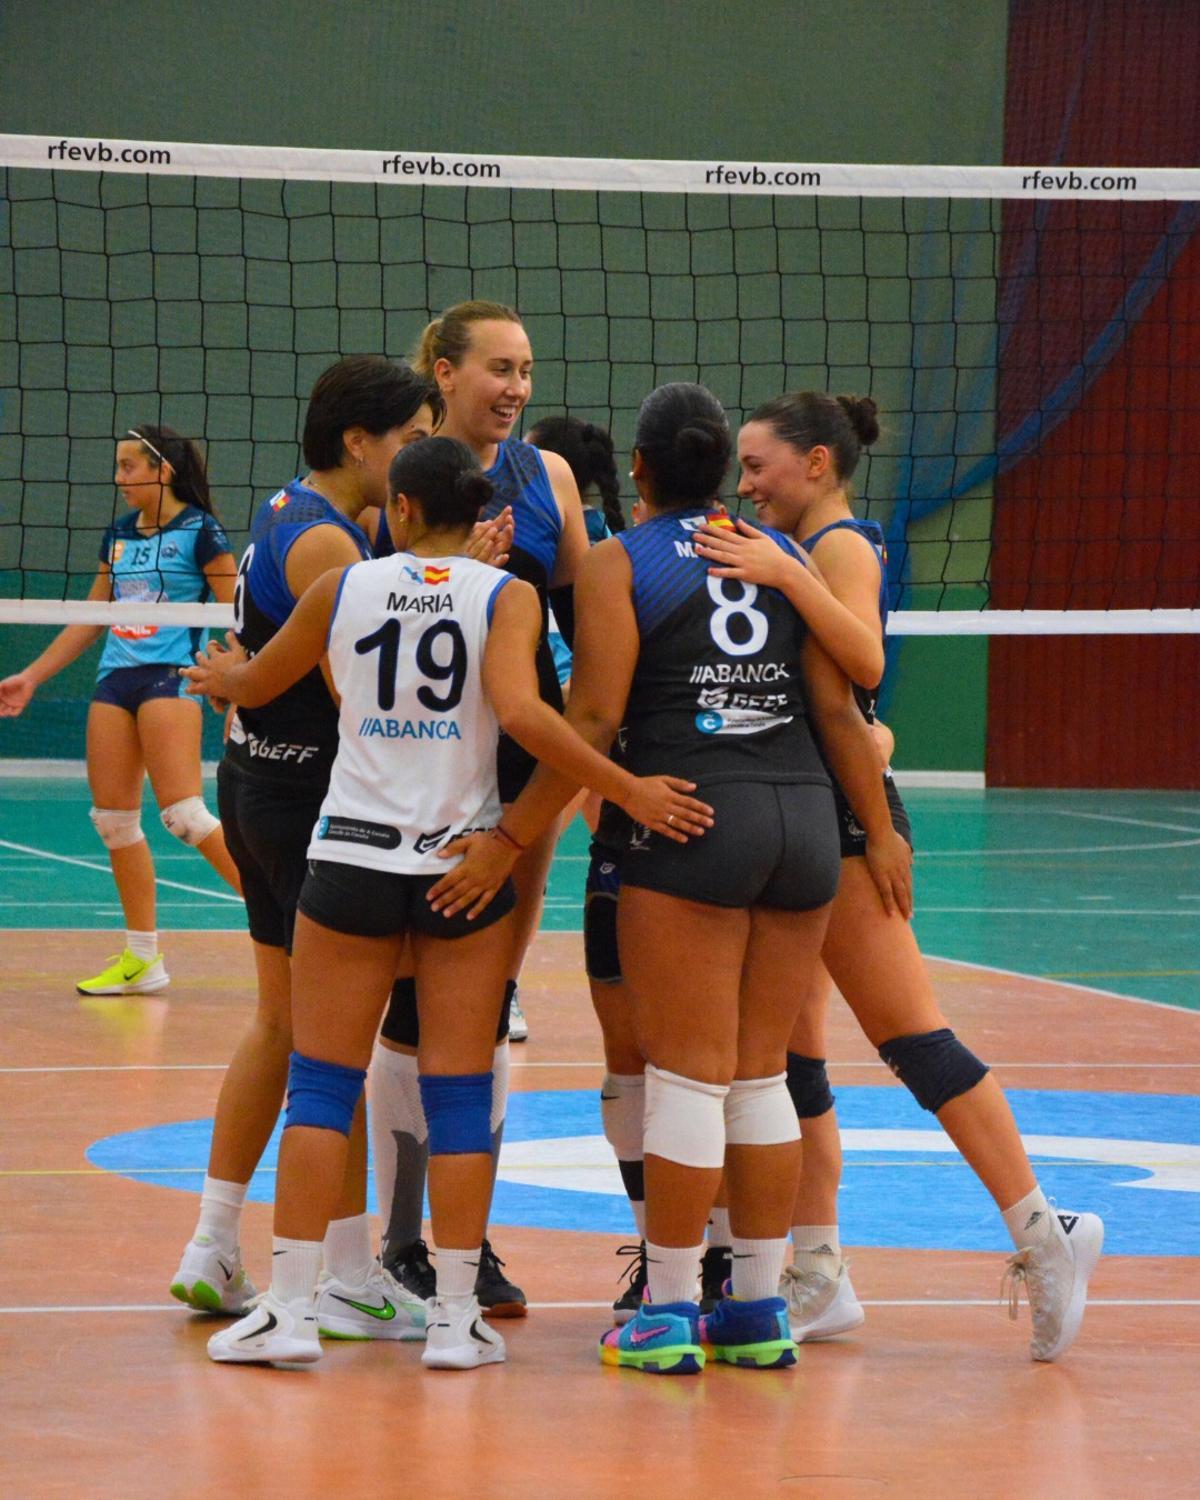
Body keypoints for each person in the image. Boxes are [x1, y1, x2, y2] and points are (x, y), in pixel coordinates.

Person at [190, 436, 712, 1369]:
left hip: (348, 860)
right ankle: (453, 1319)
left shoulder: (341, 588)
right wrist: (624, 788)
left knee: (320, 1085)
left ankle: (293, 1309)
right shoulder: (506, 596)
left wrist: (221, 674)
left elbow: (259, 684)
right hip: (461, 869)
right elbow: (524, 717)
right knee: (460, 1093)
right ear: (483, 519)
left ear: (396, 508)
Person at [430, 383, 911, 1376]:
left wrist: (514, 838)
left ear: (638, 470)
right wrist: (877, 825)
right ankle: (758, 1311)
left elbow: (596, 719)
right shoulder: (778, 552)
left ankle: (669, 1308)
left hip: (695, 818)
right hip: (805, 827)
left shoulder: (620, 562)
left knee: (687, 1077)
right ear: (723, 466)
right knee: (762, 1075)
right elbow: (837, 703)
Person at [694, 390, 1105, 1361]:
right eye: (740, 467)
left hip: (841, 822)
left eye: (760, 466)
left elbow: (854, 686)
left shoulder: (837, 549)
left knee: (915, 1042)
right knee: (788, 1063)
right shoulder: (795, 552)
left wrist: (880, 830)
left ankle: (1048, 1235)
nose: (746, 485)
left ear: (819, 465)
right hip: (798, 817)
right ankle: (819, 1269)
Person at [168, 357, 441, 1333]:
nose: (421, 453)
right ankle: (346, 1277)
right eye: (410, 436)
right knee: (335, 1042)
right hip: (301, 803)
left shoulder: (299, 511)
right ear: (359, 441)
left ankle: (211, 1243)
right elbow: (355, 693)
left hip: (256, 784)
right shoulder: (329, 546)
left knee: (280, 1027)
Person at [367, 302, 591, 1313]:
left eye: (527, 370)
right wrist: (462, 580)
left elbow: (588, 617)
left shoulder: (547, 478)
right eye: (499, 368)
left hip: (519, 766)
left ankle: (468, 1239)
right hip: (417, 770)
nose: (516, 388)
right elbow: (380, 623)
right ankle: (401, 1237)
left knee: (491, 999)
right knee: (412, 1005)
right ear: (444, 372)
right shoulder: (401, 484)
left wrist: (587, 758)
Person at [0, 425, 239, 993]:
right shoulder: (118, 536)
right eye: (118, 466)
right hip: (115, 679)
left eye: (130, 466)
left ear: (164, 471)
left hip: (172, 676)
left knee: (185, 815)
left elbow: (236, 609)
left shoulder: (201, 531)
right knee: (112, 822)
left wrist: (238, 684)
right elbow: (92, 617)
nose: (119, 478)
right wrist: (31, 676)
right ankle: (142, 959)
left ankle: (288, 928)